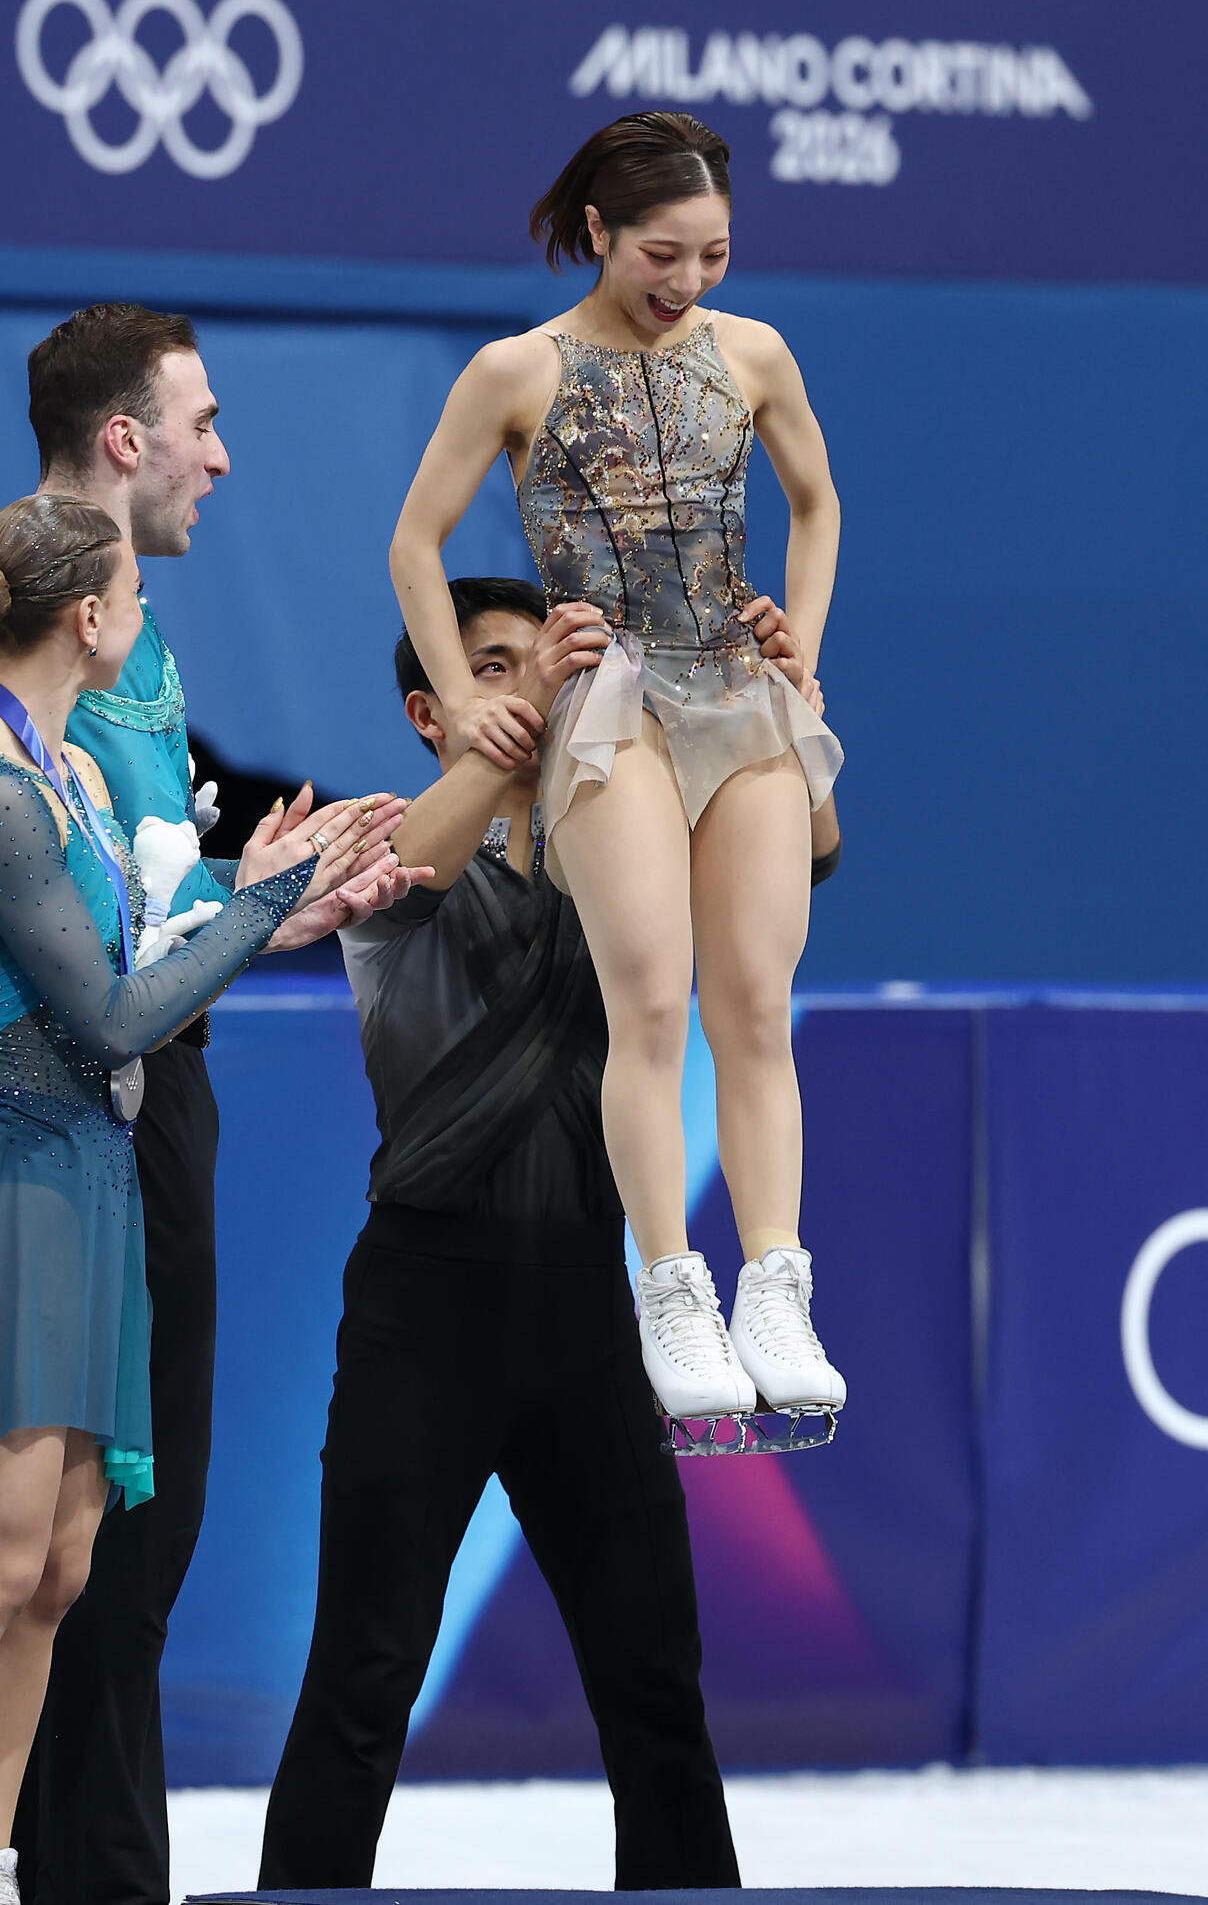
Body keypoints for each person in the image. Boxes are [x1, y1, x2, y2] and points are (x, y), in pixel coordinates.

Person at [258, 575, 843, 1893]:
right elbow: (417, 866)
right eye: (495, 665)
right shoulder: (382, 846)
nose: (543, 681)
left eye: (554, 658)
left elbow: (806, 852)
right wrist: (519, 714)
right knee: (364, 1670)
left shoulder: (624, 846)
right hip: (427, 1302)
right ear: (429, 707)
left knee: (657, 1688)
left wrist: (780, 720)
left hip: (593, 1299)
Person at [12, 304, 417, 1905]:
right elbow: (104, 950)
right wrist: (260, 909)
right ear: (125, 439)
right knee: (73, 1558)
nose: (225, 454)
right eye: (204, 421)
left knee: (90, 1558)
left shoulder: (136, 640)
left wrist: (278, 886)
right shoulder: (50, 686)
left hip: (137, 1109)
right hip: (68, 1122)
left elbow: (160, 864)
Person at [391, 111, 846, 1428]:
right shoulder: (516, 372)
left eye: (713, 253)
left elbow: (818, 503)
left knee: (754, 1005)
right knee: (652, 1000)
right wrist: (478, 703)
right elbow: (415, 544)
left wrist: (799, 641)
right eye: (663, 252)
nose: (690, 281)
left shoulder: (752, 355)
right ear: (596, 231)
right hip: (611, 704)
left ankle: (776, 1281)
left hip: (738, 693)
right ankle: (670, 1279)